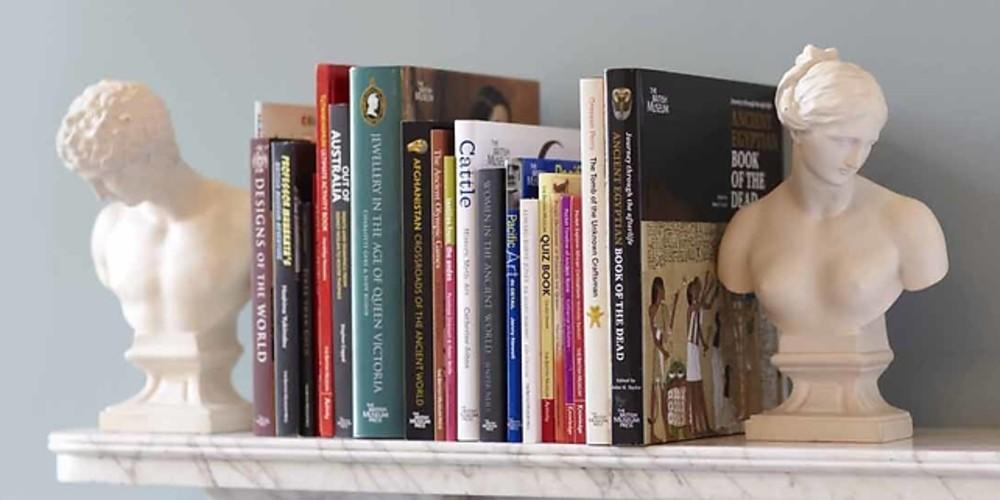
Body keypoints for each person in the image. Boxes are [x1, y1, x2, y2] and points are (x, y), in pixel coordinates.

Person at [718, 46, 948, 434]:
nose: (856, 157)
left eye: (868, 142)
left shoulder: (909, 222)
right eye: (842, 140)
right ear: (797, 130)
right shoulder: (749, 228)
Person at [56, 80, 251, 431]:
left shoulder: (246, 219)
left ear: (151, 154)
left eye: (108, 176)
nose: (99, 194)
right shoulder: (109, 230)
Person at [684, 272, 718, 435]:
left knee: (698, 385)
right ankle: (694, 425)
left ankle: (703, 425)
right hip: (691, 347)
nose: (698, 292)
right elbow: (700, 307)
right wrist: (707, 286)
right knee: (694, 386)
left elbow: (706, 308)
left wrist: (711, 287)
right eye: (695, 290)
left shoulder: (697, 308)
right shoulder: (691, 308)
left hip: (695, 347)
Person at [646, 277, 679, 441]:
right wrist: (662, 351)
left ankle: (666, 430)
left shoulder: (664, 309)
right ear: (657, 291)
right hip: (657, 352)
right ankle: (652, 431)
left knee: (664, 391)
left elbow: (668, 329)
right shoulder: (652, 309)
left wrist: (676, 304)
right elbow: (654, 336)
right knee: (655, 391)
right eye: (661, 289)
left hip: (663, 351)